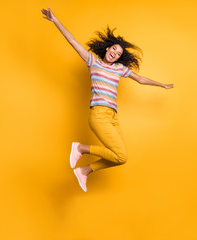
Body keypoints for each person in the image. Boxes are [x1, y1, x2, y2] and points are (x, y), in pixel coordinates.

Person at [41, 7, 174, 192]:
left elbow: (140, 79)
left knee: (121, 157)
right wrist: (55, 20)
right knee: (119, 156)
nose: (115, 54)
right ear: (107, 48)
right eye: (114, 50)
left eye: (119, 54)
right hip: (99, 115)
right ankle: (80, 149)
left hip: (112, 117)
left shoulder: (119, 69)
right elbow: (72, 41)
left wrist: (162, 85)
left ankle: (84, 171)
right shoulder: (92, 62)